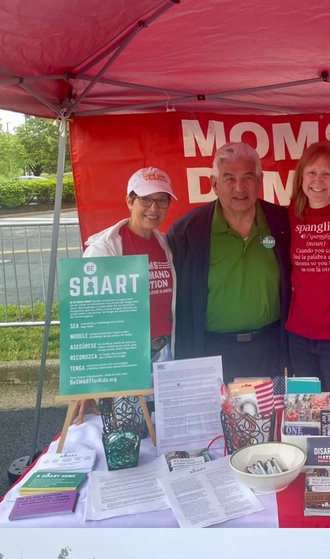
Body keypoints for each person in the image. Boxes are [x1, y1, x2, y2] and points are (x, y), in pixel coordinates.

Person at [168, 141, 291, 380]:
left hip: (271, 349)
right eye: (229, 178)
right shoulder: (186, 232)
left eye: (248, 177)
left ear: (260, 181)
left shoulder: (282, 222)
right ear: (214, 184)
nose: (239, 187)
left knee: (273, 416)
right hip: (211, 351)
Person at [83, 167, 177, 365]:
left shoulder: (166, 244)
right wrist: (90, 381)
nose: (154, 208)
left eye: (161, 200)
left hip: (165, 350)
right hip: (125, 353)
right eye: (146, 199)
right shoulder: (105, 248)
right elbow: (87, 315)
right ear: (129, 201)